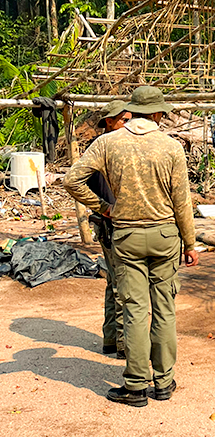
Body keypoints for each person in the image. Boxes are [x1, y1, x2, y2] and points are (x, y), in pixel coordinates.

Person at [64, 86, 199, 408]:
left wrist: (103, 207)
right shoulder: (170, 147)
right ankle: (164, 382)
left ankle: (136, 386)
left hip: (127, 236)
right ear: (157, 114)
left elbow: (72, 180)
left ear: (131, 111)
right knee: (164, 309)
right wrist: (190, 242)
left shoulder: (107, 143)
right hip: (166, 235)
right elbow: (182, 201)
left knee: (136, 311)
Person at [88, 100, 131, 360]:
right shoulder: (104, 149)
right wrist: (103, 207)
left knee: (113, 282)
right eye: (124, 120)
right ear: (110, 121)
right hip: (111, 224)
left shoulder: (108, 147)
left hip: (109, 222)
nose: (128, 124)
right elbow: (74, 181)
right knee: (123, 286)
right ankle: (125, 345)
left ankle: (111, 339)